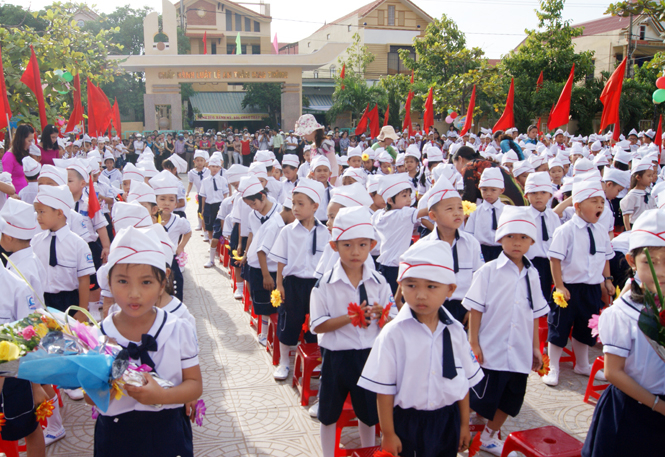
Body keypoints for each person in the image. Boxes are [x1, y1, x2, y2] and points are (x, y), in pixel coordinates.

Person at [358, 239, 483, 457]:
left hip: (447, 420)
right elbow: (384, 390)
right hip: (407, 423)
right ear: (401, 286)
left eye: (432, 286)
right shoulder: (393, 334)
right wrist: (388, 433)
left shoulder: (455, 332)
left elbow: (462, 384)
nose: (421, 294)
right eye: (411, 285)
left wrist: (464, 424)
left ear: (450, 289)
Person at [92, 226, 201, 457]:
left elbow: (194, 384)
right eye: (122, 281)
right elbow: (87, 396)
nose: (134, 293)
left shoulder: (178, 329)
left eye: (146, 282)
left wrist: (161, 396)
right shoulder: (99, 335)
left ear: (163, 285)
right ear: (109, 283)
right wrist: (107, 386)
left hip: (167, 431)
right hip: (115, 434)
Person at [464, 206, 548, 456]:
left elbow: (534, 313)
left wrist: (535, 346)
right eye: (511, 236)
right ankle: (461, 430)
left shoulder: (533, 274)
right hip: (492, 348)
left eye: (523, 237)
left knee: (510, 400)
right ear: (500, 238)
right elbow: (475, 309)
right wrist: (474, 342)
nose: (517, 242)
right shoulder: (488, 271)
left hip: (520, 351)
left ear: (532, 241)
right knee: (479, 397)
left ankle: (489, 436)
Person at [310, 206, 393, 457]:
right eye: (347, 245)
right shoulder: (324, 284)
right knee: (329, 413)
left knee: (368, 413)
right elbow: (317, 325)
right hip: (336, 357)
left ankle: (368, 451)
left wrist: (384, 315)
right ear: (334, 247)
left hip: (369, 356)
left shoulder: (379, 282)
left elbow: (393, 321)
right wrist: (349, 318)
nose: (355, 252)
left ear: (372, 245)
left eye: (362, 245)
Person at [582, 209, 665, 457]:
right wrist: (658, 406)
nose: (661, 270)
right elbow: (613, 372)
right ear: (631, 260)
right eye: (652, 261)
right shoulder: (621, 313)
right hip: (633, 412)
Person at [544, 180, 615, 387]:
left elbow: (606, 257)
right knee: (559, 327)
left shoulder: (601, 231)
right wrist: (559, 286)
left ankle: (582, 365)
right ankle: (553, 367)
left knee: (586, 327)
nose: (600, 206)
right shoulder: (566, 230)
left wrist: (607, 280)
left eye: (602, 202)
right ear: (578, 206)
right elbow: (555, 259)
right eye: (594, 201)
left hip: (591, 288)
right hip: (568, 288)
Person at [270, 178, 330, 381]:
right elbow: (280, 261)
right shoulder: (288, 231)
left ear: (315, 206)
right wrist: (279, 285)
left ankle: (315, 361)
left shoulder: (326, 233)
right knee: (288, 322)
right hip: (292, 284)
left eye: (300, 204)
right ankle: (284, 362)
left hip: (316, 285)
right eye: (293, 203)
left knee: (316, 324)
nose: (295, 208)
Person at [421, 176, 483, 325]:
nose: (457, 213)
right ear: (433, 216)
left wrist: (472, 308)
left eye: (460, 208)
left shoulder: (471, 243)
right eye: (449, 209)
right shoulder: (424, 246)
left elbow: (479, 277)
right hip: (435, 308)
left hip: (465, 306)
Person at [32, 185, 94, 319]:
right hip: (43, 301)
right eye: (37, 212)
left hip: (69, 302)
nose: (38, 217)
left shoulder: (78, 244)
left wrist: (82, 309)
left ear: (60, 213)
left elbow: (84, 279)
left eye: (42, 212)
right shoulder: (36, 242)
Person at [237, 176, 282, 345]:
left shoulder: (279, 213)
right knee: (262, 301)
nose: (252, 208)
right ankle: (263, 332)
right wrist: (246, 254)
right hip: (256, 265)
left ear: (262, 196)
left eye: (253, 203)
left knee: (277, 300)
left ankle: (275, 331)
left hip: (274, 265)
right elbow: (252, 234)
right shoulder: (253, 215)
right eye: (249, 205)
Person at [374, 174, 429, 294]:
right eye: (404, 196)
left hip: (383, 265)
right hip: (397, 267)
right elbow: (426, 212)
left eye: (409, 195)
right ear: (389, 200)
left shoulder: (379, 215)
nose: (409, 199)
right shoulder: (404, 214)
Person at [150, 171, 192, 301]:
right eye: (162, 199)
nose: (166, 203)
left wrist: (181, 246)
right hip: (153, 257)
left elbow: (188, 231)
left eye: (171, 200)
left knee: (175, 283)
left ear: (176, 204)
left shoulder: (179, 221)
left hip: (171, 259)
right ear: (155, 202)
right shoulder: (150, 220)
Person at [524, 172, 561, 300]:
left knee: (546, 296)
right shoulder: (523, 216)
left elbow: (557, 240)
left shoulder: (553, 217)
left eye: (543, 193)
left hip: (549, 262)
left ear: (550, 195)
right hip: (530, 262)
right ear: (526, 195)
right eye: (533, 193)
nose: (538, 197)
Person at [464, 167, 506, 262]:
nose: (488, 194)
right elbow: (469, 234)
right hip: (481, 251)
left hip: (502, 250)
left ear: (501, 190)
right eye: (484, 190)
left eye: (493, 190)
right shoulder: (476, 211)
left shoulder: (506, 210)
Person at [200, 157, 229, 268]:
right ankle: (212, 243)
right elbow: (203, 195)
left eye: (217, 167)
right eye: (213, 166)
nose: (215, 169)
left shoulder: (222, 180)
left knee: (219, 227)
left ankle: (217, 245)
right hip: (209, 205)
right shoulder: (205, 180)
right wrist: (203, 209)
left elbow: (225, 194)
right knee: (209, 227)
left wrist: (224, 207)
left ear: (220, 167)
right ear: (209, 167)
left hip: (219, 205)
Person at [295, 115, 339, 184]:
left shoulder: (325, 144)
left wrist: (330, 187)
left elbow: (334, 167)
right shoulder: (312, 146)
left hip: (328, 183)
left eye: (304, 133)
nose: (303, 136)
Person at [620, 158, 656, 230]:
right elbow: (626, 215)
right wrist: (628, 230)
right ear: (638, 177)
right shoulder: (632, 195)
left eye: (652, 176)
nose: (651, 178)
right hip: (636, 226)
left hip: (648, 226)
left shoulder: (648, 193)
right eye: (648, 176)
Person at [3, 124, 34, 193]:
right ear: (21, 139)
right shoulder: (9, 157)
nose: (31, 144)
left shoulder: (22, 153)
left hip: (25, 192)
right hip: (15, 194)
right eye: (29, 141)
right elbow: (6, 180)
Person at [186, 150, 210, 233]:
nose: (199, 163)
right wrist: (187, 192)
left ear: (205, 162)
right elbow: (190, 183)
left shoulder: (208, 171)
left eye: (201, 160)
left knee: (208, 209)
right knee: (200, 209)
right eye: (197, 160)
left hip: (209, 193)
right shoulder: (191, 173)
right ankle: (200, 224)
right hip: (200, 193)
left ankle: (207, 225)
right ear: (194, 161)